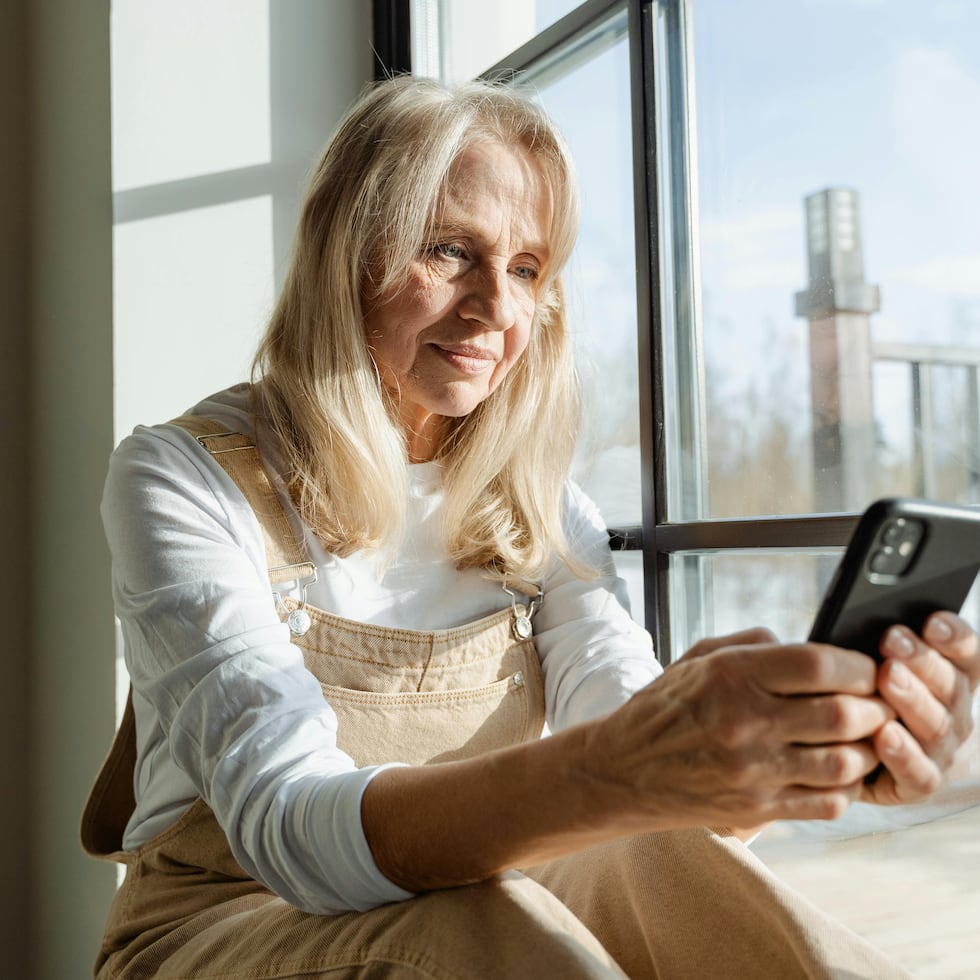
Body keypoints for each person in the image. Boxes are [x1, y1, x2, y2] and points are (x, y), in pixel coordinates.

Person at [83, 76, 979, 979]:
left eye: (525, 270)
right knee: (490, 930)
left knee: (666, 864)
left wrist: (796, 755)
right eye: (448, 251)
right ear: (343, 252)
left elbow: (643, 780)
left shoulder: (543, 510)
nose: (498, 311)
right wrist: (627, 764)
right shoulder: (182, 476)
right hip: (224, 920)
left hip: (477, 888)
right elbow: (289, 832)